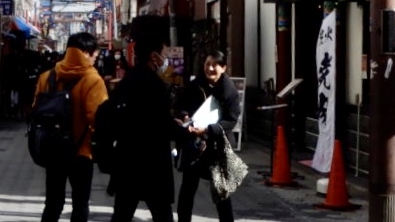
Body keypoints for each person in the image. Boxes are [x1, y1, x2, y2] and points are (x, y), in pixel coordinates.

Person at [33, 32, 108, 222]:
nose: (95, 60)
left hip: (53, 149)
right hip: (81, 151)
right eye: (95, 56)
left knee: (52, 203)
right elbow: (97, 118)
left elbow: (36, 111)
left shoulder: (47, 77)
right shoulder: (93, 81)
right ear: (86, 53)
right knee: (80, 204)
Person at [108, 16, 177, 222]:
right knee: (162, 213)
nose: (165, 58)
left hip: (127, 159)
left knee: (122, 213)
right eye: (163, 53)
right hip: (152, 160)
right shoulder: (155, 85)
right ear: (154, 55)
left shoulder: (127, 81)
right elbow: (161, 123)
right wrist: (184, 131)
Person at [175, 51, 242, 222]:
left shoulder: (229, 91)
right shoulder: (195, 84)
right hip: (195, 145)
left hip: (217, 146)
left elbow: (231, 121)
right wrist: (184, 116)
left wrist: (208, 129)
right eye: (207, 64)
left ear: (224, 68)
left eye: (215, 65)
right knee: (187, 189)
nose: (210, 68)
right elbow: (180, 104)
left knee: (222, 193)